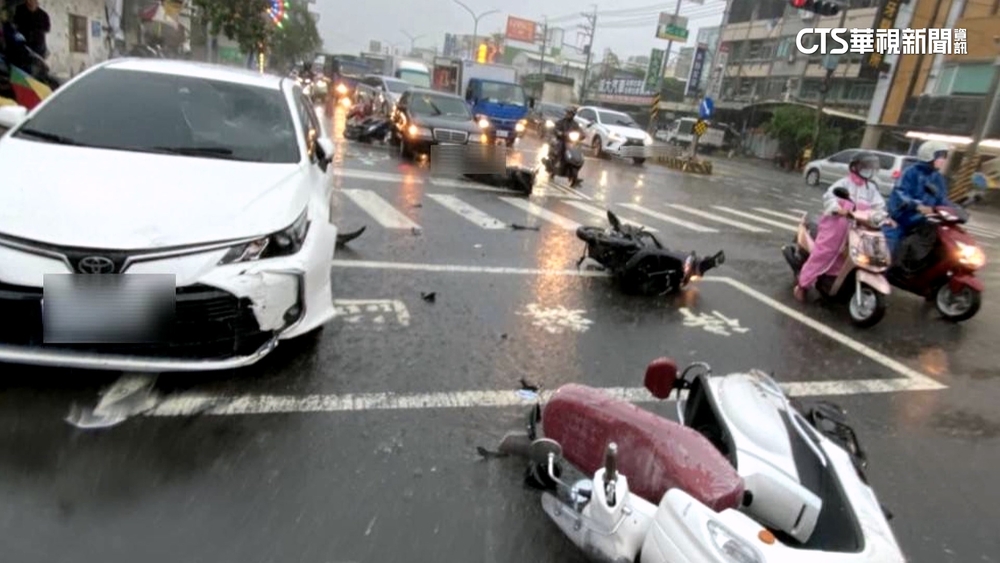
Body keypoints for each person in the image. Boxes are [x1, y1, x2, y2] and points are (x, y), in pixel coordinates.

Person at [793, 152, 891, 302]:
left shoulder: (870, 188)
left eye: (871, 167)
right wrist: (837, 208)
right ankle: (802, 285)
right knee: (824, 253)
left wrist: (884, 216)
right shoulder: (844, 183)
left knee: (855, 256)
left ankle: (835, 284)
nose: (869, 170)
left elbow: (880, 206)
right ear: (855, 167)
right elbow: (829, 196)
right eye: (865, 167)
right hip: (837, 226)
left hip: (859, 228)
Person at [883, 140, 955, 274]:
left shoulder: (938, 177)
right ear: (929, 156)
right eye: (940, 156)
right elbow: (900, 192)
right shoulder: (910, 172)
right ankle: (885, 272)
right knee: (890, 242)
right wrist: (916, 205)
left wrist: (953, 210)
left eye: (944, 156)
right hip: (904, 217)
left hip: (925, 219)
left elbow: (942, 199)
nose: (943, 160)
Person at [553, 106, 583, 187]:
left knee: (579, 154)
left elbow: (581, 132)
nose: (568, 115)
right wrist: (559, 132)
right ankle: (557, 163)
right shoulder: (561, 122)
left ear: (573, 115)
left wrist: (582, 135)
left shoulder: (575, 124)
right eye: (568, 113)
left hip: (572, 143)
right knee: (559, 149)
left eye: (570, 113)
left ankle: (575, 173)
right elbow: (555, 128)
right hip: (562, 141)